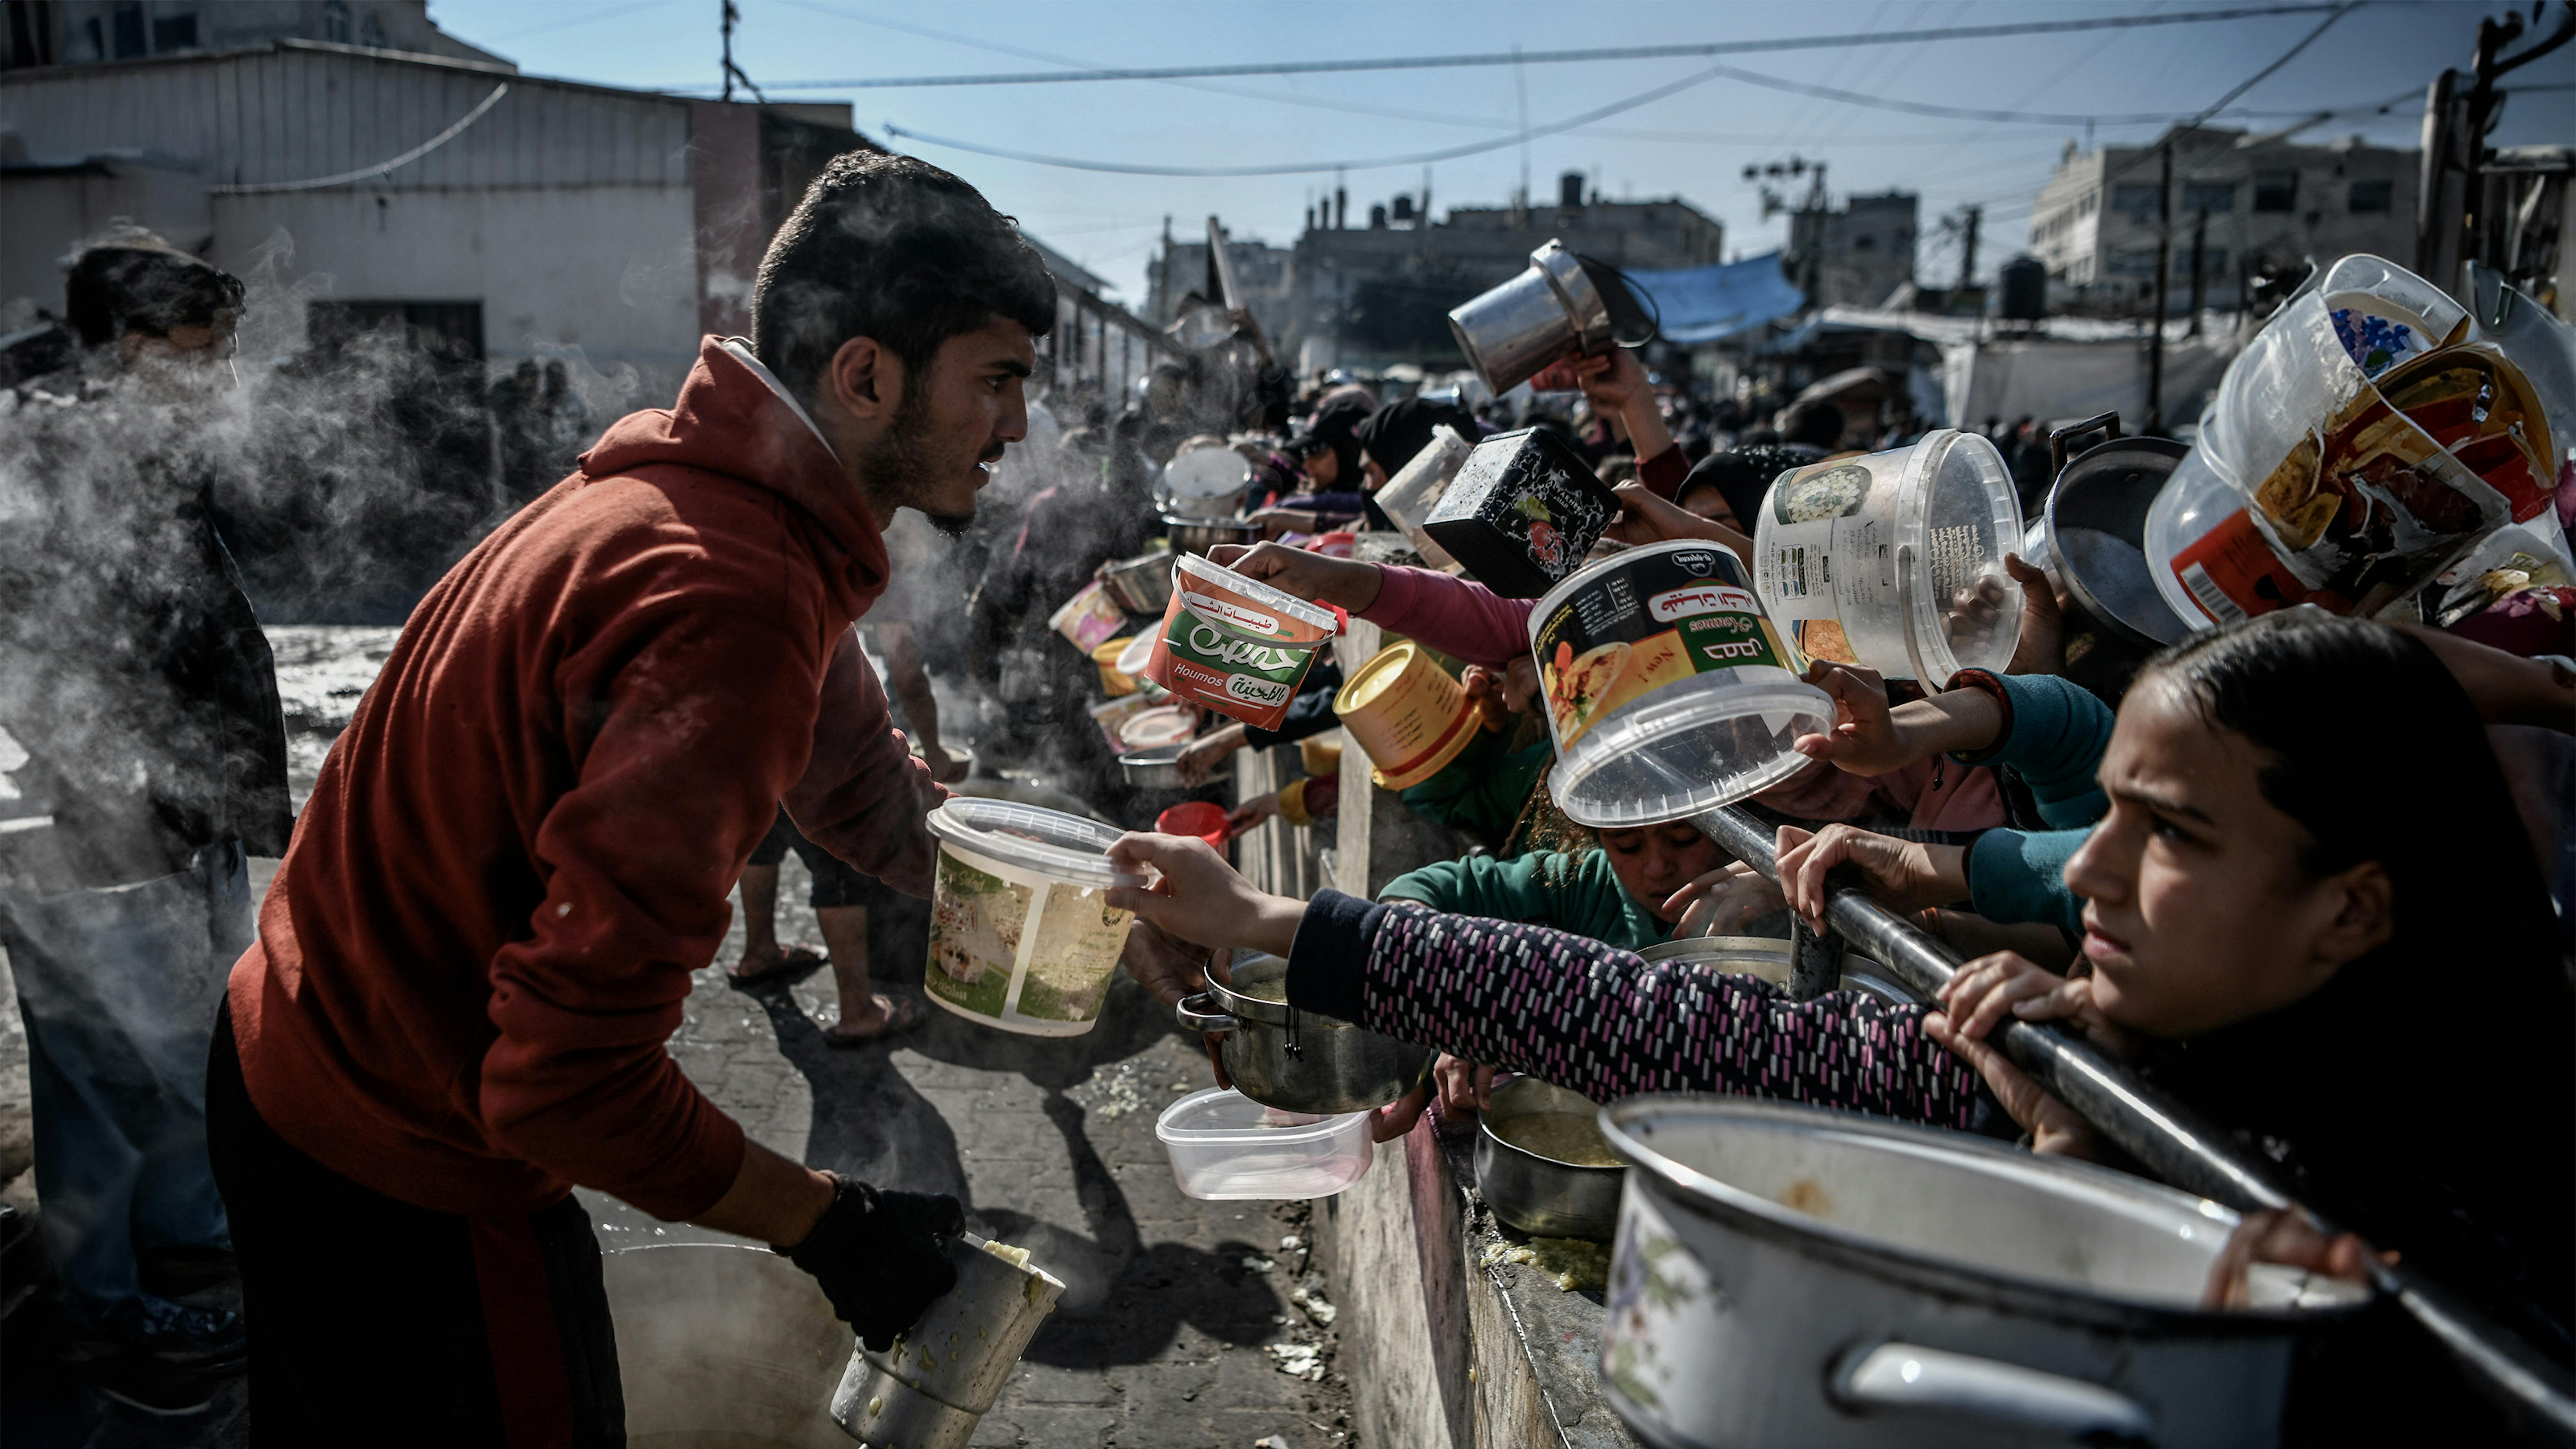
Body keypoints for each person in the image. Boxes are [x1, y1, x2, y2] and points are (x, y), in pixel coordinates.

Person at [1114, 609, 2575, 1421]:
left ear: (2355, 907)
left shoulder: (2467, 1261)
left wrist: (2074, 1179)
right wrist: (1259, 924)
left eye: (2173, 836)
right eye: (2105, 820)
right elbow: (1674, 1032)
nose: (2097, 875)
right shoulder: (2071, 1056)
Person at [210, 153, 1053, 1442]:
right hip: (391, 1150)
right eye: (995, 382)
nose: (1018, 430)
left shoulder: (730, 504)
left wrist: (1081, 908)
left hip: (296, 1056)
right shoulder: (733, 594)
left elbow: (859, 783)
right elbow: (564, 1086)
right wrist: (833, 1227)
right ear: (866, 374)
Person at [0, 232, 291, 1415]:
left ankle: (179, 1257)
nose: (222, 378)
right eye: (199, 353)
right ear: (126, 350)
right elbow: (46, 666)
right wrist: (120, 805)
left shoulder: (145, 447)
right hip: (97, 838)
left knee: (175, 1067)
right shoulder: (51, 459)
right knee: (126, 1080)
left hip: (175, 820)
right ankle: (108, 1311)